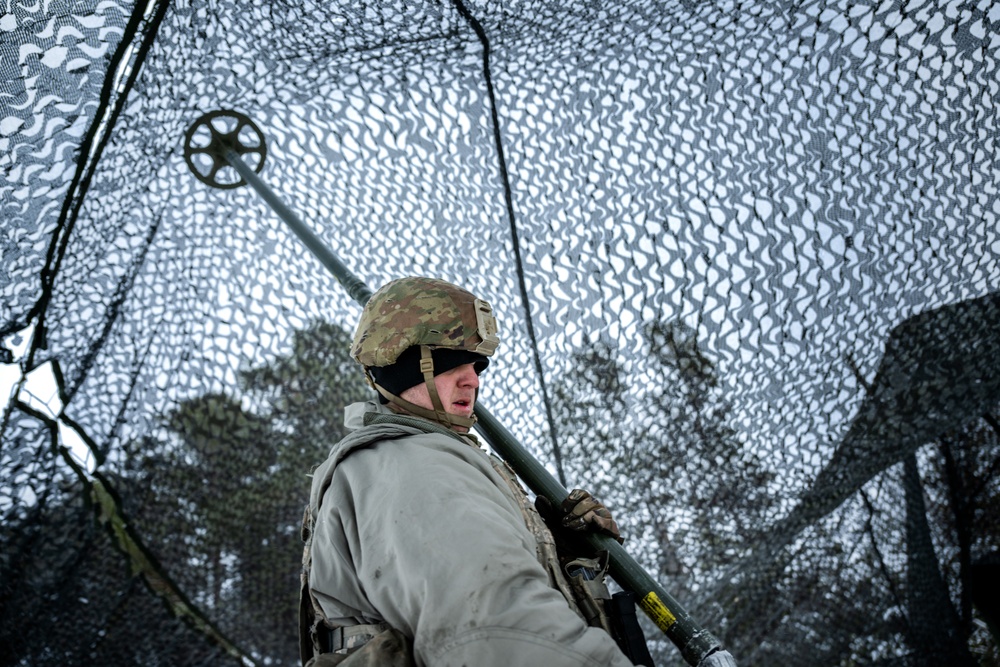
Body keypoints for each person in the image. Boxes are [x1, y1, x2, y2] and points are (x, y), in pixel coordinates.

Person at [299, 276, 636, 667]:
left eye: (477, 364)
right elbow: (499, 633)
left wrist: (558, 557)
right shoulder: (415, 467)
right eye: (447, 361)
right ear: (399, 363)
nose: (472, 380)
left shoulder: (397, 464)